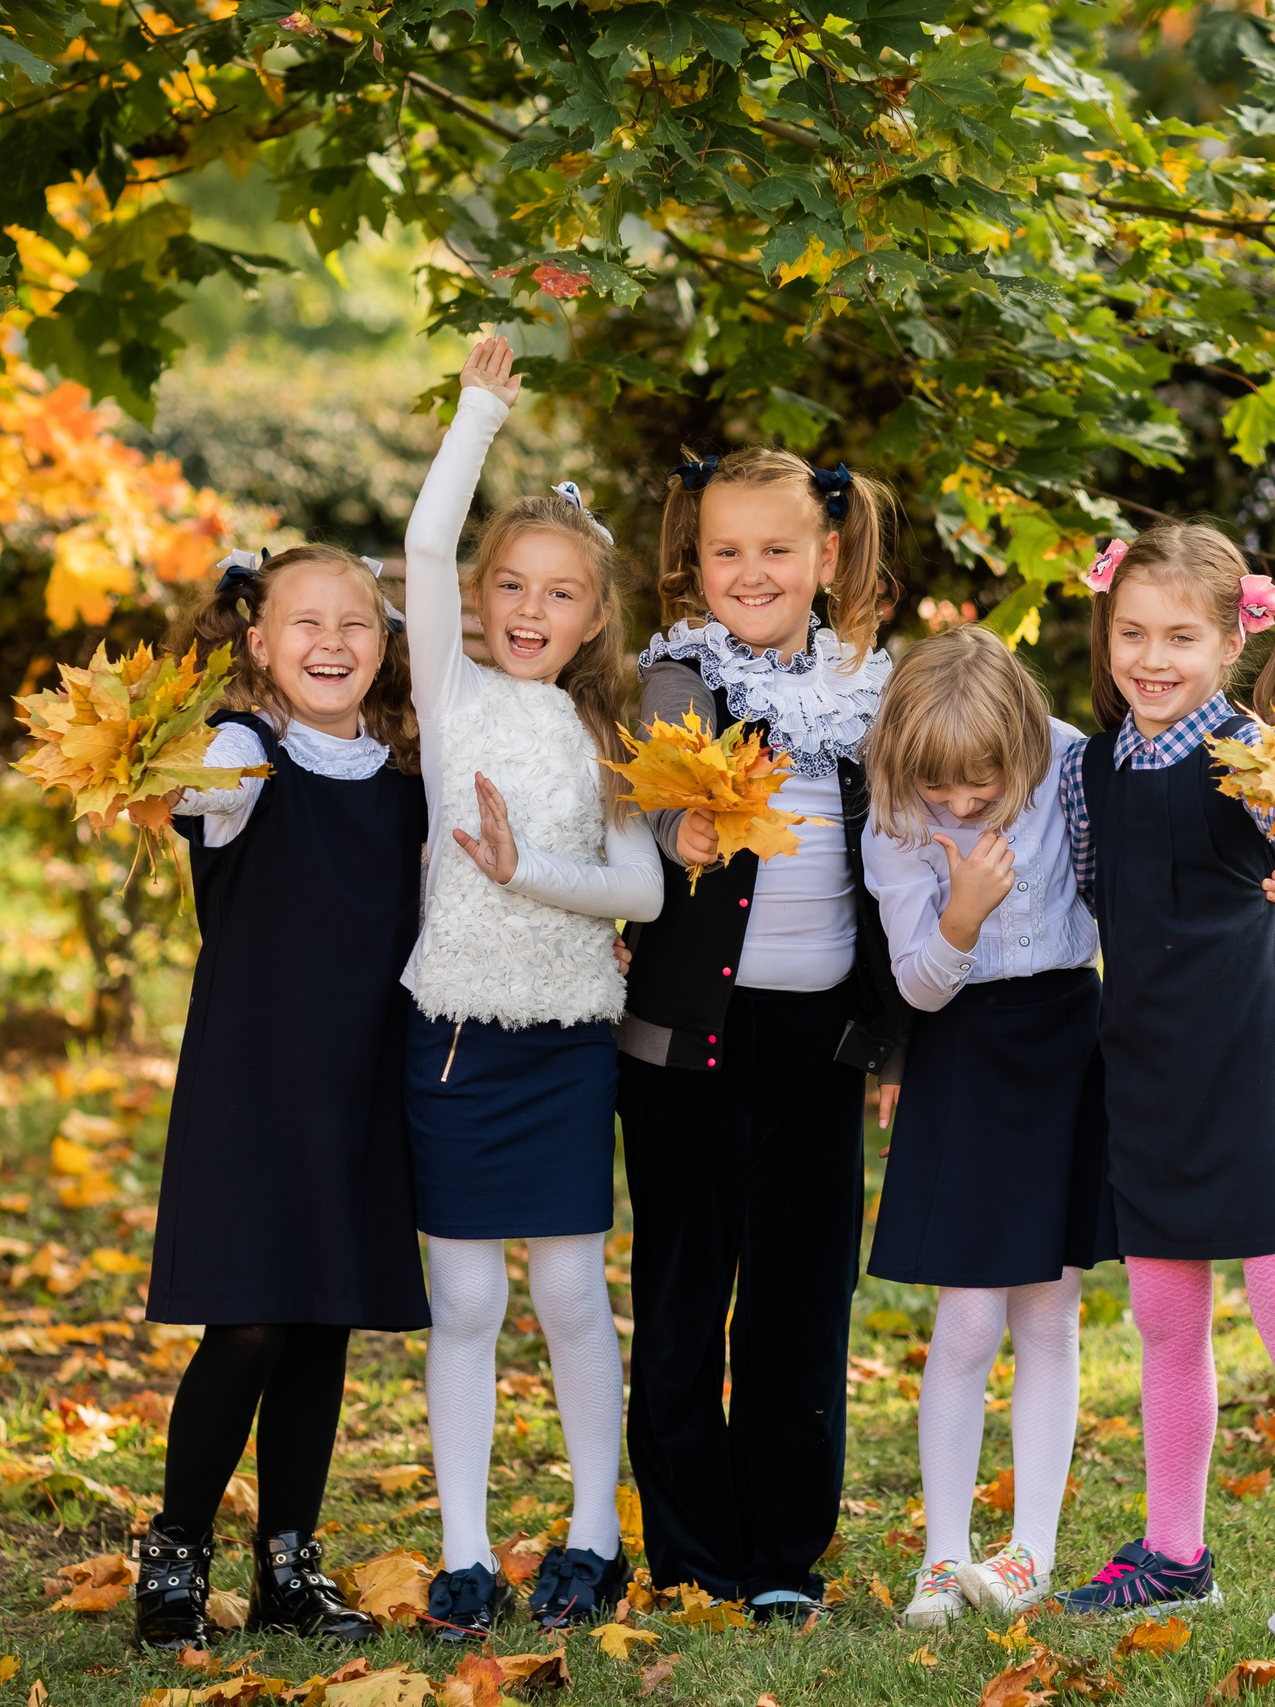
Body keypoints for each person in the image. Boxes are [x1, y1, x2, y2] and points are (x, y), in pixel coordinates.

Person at [863, 626, 1275, 1628]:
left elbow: (1167, 850)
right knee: (968, 1323)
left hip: (1068, 1043)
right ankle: (941, 1556)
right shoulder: (894, 813)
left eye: (983, 788)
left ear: (1021, 745)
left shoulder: (1067, 757)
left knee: (1048, 1317)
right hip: (963, 1057)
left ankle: (1029, 1552)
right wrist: (962, 913)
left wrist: (1270, 875)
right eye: (945, 792)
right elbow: (917, 988)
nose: (964, 805)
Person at [1055, 525, 1275, 1660]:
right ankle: (1174, 1556)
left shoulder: (1260, 756)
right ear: (1106, 633)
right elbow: (1095, 893)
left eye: (1180, 638)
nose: (1152, 658)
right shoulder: (1094, 764)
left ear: (1232, 639)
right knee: (1163, 1319)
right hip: (1144, 1065)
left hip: (1251, 1060)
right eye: (1132, 634)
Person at [614, 447, 910, 1624]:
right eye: (727, 551)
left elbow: (929, 831)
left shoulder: (869, 691)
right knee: (685, 1295)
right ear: (697, 560)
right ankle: (692, 1553)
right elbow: (634, 813)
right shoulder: (678, 680)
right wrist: (672, 839)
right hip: (686, 1044)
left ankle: (785, 1551)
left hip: (819, 1045)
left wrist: (893, 1037)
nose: (752, 572)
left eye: (777, 551)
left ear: (827, 558)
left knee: (798, 1303)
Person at [402, 334, 660, 1641]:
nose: (528, 608)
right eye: (509, 583)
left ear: (595, 616)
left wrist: (529, 865)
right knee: (465, 1299)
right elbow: (424, 531)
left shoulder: (605, 732)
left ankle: (593, 1531)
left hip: (565, 1048)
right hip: (450, 1041)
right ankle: (459, 1549)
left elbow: (645, 893)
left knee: (566, 1292)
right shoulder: (446, 692)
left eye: (559, 594)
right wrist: (478, 415)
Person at [138, 544, 426, 1653]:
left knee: (320, 1325)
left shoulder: (403, 776)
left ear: (384, 642)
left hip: (361, 1081)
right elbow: (196, 798)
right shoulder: (242, 751)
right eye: (303, 625)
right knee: (250, 1321)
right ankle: (173, 1556)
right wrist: (168, 766)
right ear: (259, 643)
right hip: (254, 1082)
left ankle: (288, 1568)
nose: (330, 645)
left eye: (354, 625)